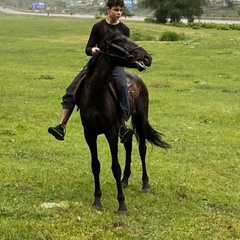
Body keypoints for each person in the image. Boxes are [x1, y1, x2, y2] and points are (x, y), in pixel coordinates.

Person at [48, 0, 134, 143]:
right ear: (108, 9)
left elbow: (125, 52)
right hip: (95, 65)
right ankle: (61, 125)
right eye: (116, 10)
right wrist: (92, 50)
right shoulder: (98, 27)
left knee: (122, 88)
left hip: (114, 67)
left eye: (121, 10)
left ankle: (122, 126)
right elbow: (88, 48)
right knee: (72, 89)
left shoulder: (124, 30)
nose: (119, 13)